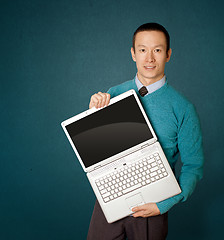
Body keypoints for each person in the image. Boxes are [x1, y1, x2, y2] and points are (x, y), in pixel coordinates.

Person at [87, 23, 204, 240]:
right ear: (133, 54)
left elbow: (193, 166)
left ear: (168, 54)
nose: (149, 58)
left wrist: (165, 204)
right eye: (142, 50)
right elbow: (99, 148)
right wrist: (94, 112)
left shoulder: (183, 108)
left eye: (157, 50)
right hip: (112, 193)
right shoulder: (113, 94)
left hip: (154, 203)